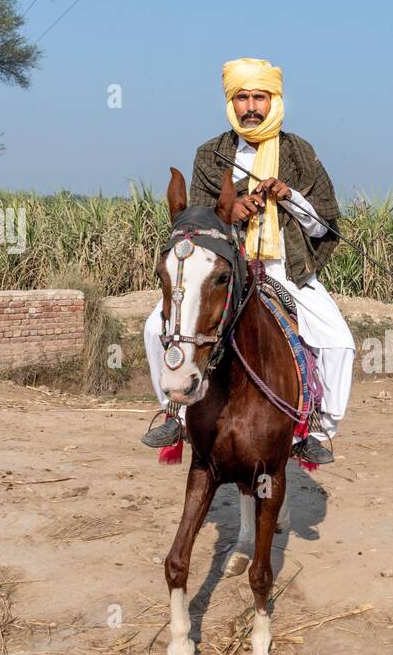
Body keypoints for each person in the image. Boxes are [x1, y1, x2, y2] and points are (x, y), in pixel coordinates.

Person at [142, 58, 353, 465]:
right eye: (242, 97)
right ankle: (177, 414)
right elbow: (195, 224)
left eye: (259, 96)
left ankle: (318, 431)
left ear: (274, 100)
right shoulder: (211, 154)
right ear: (231, 102)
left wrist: (290, 197)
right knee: (155, 329)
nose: (251, 105)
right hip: (221, 272)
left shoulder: (298, 152)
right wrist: (232, 211)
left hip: (282, 268)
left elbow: (322, 225)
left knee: (339, 342)